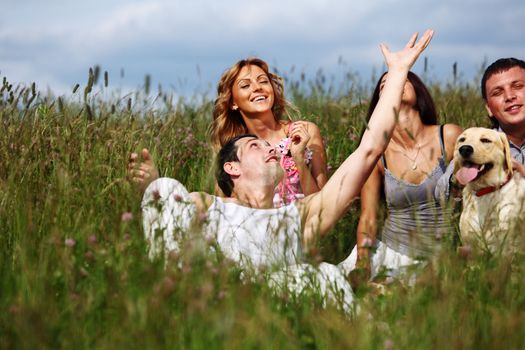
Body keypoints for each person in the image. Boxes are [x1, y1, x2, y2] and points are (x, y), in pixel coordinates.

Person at [140, 30, 434, 309]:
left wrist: (396, 74)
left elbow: (369, 149)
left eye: (262, 80)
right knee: (165, 186)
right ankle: (174, 306)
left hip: (274, 288)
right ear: (231, 168)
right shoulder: (210, 207)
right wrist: (155, 190)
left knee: (326, 276)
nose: (271, 148)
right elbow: (172, 215)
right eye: (255, 147)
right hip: (222, 293)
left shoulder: (300, 219)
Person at [129, 58, 329, 207]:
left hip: (303, 227)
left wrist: (299, 159)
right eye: (245, 85)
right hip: (260, 233)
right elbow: (225, 209)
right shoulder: (233, 150)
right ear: (233, 102)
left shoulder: (304, 132)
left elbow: (323, 204)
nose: (257, 88)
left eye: (263, 81)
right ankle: (157, 191)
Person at [339, 71, 463, 283]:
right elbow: (369, 217)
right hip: (391, 252)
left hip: (440, 258)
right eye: (384, 85)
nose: (393, 85)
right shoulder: (377, 154)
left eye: (400, 80)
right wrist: (362, 264)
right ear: (380, 103)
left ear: (417, 89)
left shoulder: (449, 136)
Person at [435, 58, 525, 201]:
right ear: (489, 108)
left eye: (518, 86)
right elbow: (441, 193)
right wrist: (459, 179)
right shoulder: (476, 145)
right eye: (497, 92)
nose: (509, 96)